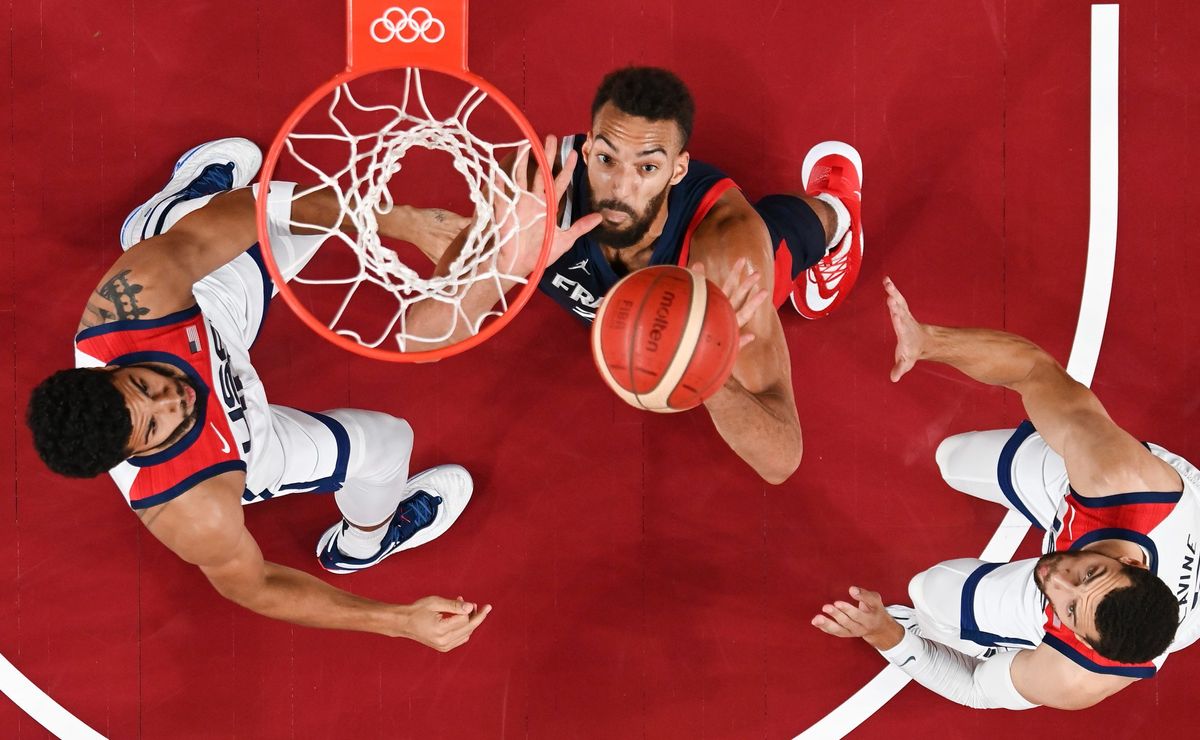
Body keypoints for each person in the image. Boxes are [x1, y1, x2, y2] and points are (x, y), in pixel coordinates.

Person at [24, 137, 588, 649]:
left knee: (255, 220)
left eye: (143, 386)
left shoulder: (134, 302)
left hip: (208, 315)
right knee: (389, 441)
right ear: (133, 453)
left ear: (107, 367)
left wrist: (398, 220)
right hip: (244, 445)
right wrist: (397, 621)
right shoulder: (191, 506)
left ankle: (161, 221)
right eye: (154, 426)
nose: (175, 401)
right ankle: (364, 543)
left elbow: (243, 212)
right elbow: (257, 587)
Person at [429, 67, 865, 484]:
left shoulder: (727, 250)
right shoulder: (534, 193)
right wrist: (502, 268)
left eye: (647, 167)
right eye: (607, 159)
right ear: (586, 151)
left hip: (730, 267)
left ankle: (839, 212)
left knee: (782, 237)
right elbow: (425, 334)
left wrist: (703, 365)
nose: (620, 188)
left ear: (678, 170)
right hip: (622, 283)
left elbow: (782, 459)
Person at [811, 277, 1197, 710]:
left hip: (1107, 536)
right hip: (1129, 505)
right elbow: (1033, 370)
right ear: (1128, 562)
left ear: (1083, 640)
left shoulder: (1079, 675)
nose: (1056, 580)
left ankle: (993, 620)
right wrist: (929, 341)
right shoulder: (1118, 476)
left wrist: (888, 636)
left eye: (1069, 611)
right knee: (953, 458)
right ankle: (1060, 515)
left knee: (930, 593)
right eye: (1089, 573)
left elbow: (976, 688)